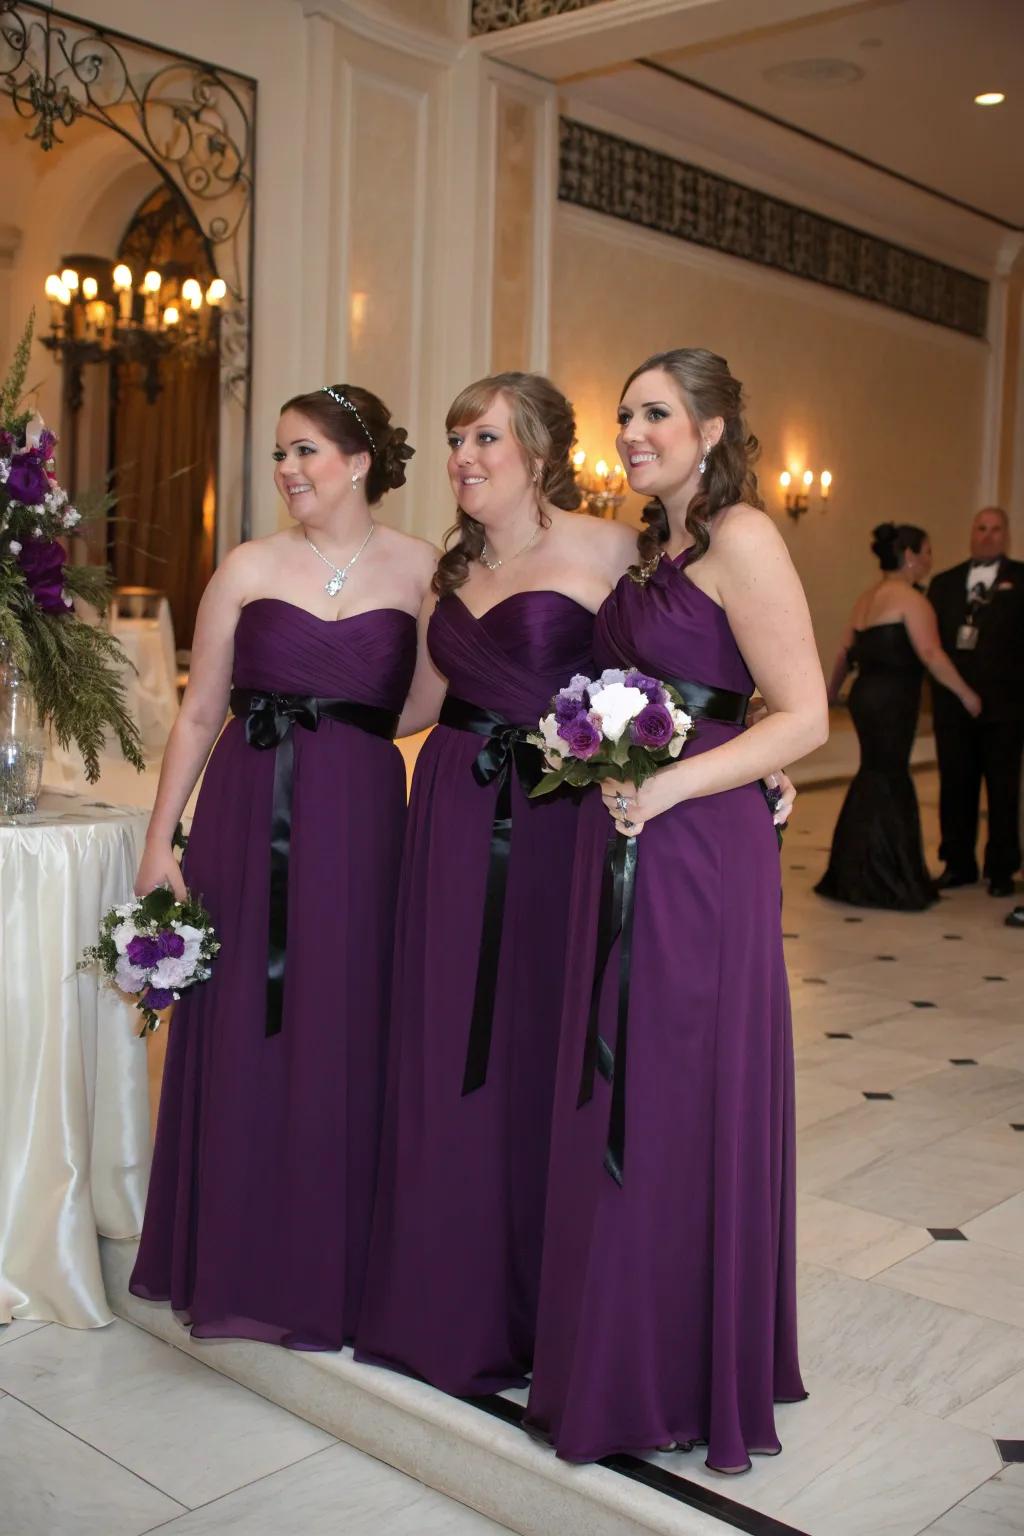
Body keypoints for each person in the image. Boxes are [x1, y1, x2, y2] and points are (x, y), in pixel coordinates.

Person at [523, 348, 827, 1472]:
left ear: (709, 430)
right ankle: (630, 1347)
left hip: (694, 846)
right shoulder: (667, 548)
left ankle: (682, 1364)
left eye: (656, 413)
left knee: (673, 1079)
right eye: (625, 416)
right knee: (629, 1083)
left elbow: (807, 717)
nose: (634, 432)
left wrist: (677, 782)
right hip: (640, 828)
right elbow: (713, 696)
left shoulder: (744, 533)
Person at [129, 384, 434, 1349]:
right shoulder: (248, 566)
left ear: (358, 461)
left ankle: (327, 1265)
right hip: (244, 809)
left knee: (343, 1020)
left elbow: (427, 703)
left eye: (305, 452)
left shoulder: (424, 570)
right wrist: (157, 840)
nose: (288, 471)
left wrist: (342, 734)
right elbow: (197, 711)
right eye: (280, 454)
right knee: (244, 1029)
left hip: (359, 820)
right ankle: (232, 1255)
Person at [354, 373, 640, 1395]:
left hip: (558, 821)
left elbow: (666, 682)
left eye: (484, 436)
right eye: (453, 437)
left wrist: (756, 754)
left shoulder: (609, 549)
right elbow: (406, 708)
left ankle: (540, 1301)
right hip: (452, 814)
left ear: (540, 450)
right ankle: (445, 1295)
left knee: (542, 1040)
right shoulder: (450, 572)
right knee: (444, 1040)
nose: (463, 455)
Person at [815, 523, 981, 910]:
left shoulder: (867, 598)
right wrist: (967, 694)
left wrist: (829, 695)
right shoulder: (911, 600)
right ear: (909, 555)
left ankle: (855, 872)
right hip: (893, 701)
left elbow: (843, 654)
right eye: (926, 552)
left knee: (874, 773)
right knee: (890, 776)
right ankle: (890, 878)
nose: (929, 560)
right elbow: (931, 655)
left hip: (865, 698)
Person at [927, 507, 1024, 897]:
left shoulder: (1021, 579)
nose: (987, 535)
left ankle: (1001, 868)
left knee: (1002, 789)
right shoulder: (945, 583)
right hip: (953, 707)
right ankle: (958, 863)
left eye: (995, 529)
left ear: (1006, 535)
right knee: (956, 785)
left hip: (1006, 708)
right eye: (980, 528)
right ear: (972, 533)